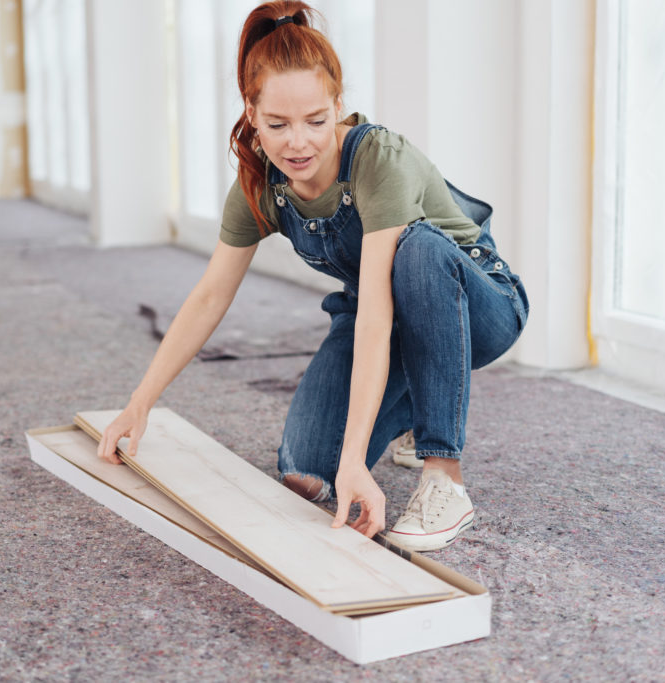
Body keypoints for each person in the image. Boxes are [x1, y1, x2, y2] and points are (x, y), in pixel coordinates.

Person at [97, 0, 528, 552]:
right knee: (306, 474)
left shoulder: (379, 160)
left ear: (338, 106)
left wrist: (357, 461)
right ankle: (413, 409)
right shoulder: (259, 186)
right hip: (388, 315)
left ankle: (444, 475)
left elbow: (376, 314)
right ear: (251, 113)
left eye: (316, 121)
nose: (297, 142)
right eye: (277, 124)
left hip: (480, 306)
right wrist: (140, 402)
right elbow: (209, 296)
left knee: (417, 249)